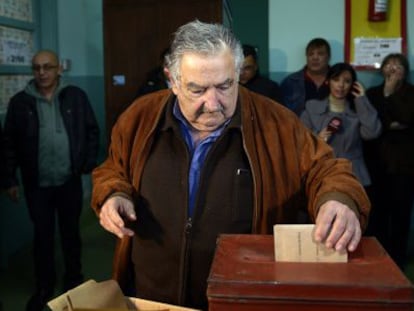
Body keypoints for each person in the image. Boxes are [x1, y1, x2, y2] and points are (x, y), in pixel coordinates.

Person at [91, 20, 370, 310]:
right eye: (197, 90)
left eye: (225, 85)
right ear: (172, 80)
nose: (213, 104)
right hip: (149, 295)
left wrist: (338, 200)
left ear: (237, 73)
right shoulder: (140, 117)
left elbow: (326, 169)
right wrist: (114, 193)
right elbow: (113, 168)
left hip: (239, 297)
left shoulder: (277, 124)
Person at [3, 50, 100, 311]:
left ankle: (74, 282)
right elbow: (8, 144)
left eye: (47, 67)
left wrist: (86, 163)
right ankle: (44, 286)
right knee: (42, 237)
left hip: (69, 180)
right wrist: (10, 179)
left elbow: (92, 130)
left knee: (71, 234)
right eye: (36, 68)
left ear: (59, 69)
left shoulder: (76, 97)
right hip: (38, 184)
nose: (42, 73)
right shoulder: (20, 103)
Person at [364, 53, 414, 269]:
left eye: (399, 65)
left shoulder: (412, 92)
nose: (394, 68)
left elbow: (407, 118)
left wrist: (391, 94)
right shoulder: (373, 93)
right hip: (377, 164)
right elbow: (374, 124)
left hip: (405, 165)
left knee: (401, 215)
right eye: (389, 64)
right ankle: (380, 261)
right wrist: (386, 94)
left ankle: (399, 261)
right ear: (382, 68)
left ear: (406, 70)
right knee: (378, 215)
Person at [300, 62, 382, 187]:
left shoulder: (357, 111)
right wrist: (317, 138)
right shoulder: (312, 107)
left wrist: (362, 100)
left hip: (352, 175)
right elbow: (300, 140)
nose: (341, 85)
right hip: (322, 173)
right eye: (336, 79)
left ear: (353, 85)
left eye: (347, 81)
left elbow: (372, 133)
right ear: (328, 82)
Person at [280, 37, 331, 115]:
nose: (315, 58)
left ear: (328, 57)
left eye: (320, 54)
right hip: (299, 126)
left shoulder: (338, 80)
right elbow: (281, 113)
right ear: (306, 57)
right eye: (311, 54)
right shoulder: (290, 82)